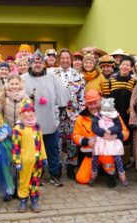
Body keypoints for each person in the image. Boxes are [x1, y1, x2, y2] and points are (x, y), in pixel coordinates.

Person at [23, 50, 70, 187]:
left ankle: (55, 175)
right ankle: (38, 175)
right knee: (34, 151)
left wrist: (56, 114)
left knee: (53, 150)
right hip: (30, 123)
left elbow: (62, 100)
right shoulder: (22, 79)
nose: (37, 65)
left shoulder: (53, 78)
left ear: (44, 64)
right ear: (30, 64)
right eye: (34, 62)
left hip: (50, 121)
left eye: (40, 62)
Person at [72, 90, 129, 187]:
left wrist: (116, 136)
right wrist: (87, 141)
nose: (93, 106)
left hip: (107, 152)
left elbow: (125, 132)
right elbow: (75, 136)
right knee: (81, 179)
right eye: (90, 103)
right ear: (86, 104)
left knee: (106, 156)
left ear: (101, 101)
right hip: (91, 153)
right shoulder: (81, 118)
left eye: (95, 102)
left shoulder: (112, 113)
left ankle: (110, 174)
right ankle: (98, 171)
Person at [51, 48, 85, 180]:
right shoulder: (52, 74)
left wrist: (80, 113)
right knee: (57, 142)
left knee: (72, 142)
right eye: (63, 58)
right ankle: (57, 167)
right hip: (57, 114)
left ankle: (71, 166)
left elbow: (82, 97)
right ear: (59, 59)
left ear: (71, 60)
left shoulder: (78, 75)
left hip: (73, 115)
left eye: (67, 58)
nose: (65, 60)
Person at [12, 98, 47, 213]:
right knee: (24, 181)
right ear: (21, 113)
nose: (30, 113)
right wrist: (17, 161)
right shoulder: (18, 128)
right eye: (27, 111)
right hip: (25, 161)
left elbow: (41, 143)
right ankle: (23, 200)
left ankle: (34, 200)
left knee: (35, 181)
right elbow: (15, 146)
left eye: (32, 111)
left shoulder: (37, 127)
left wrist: (44, 157)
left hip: (38, 161)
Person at [102, 55, 136, 164]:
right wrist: (107, 116)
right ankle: (111, 160)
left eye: (127, 65)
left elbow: (135, 99)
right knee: (112, 136)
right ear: (119, 66)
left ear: (131, 68)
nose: (125, 67)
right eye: (123, 65)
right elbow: (106, 98)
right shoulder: (111, 81)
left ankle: (123, 163)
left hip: (127, 115)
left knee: (125, 138)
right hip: (113, 116)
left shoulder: (134, 82)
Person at [90, 97, 128, 186]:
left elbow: (119, 127)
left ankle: (122, 176)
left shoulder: (115, 116)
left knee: (117, 158)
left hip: (112, 141)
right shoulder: (97, 116)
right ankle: (93, 175)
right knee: (95, 157)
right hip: (101, 141)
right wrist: (103, 132)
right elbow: (94, 127)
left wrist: (111, 131)